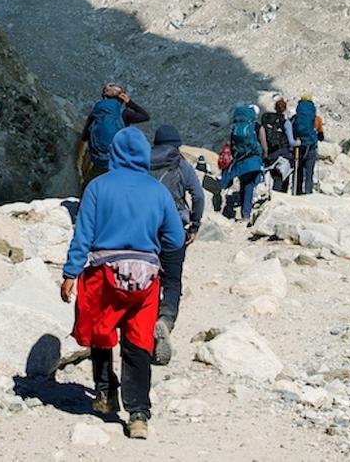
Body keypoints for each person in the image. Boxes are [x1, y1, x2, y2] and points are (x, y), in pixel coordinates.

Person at [61, 126, 184, 440]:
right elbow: (175, 238)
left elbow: (83, 234)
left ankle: (105, 394)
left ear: (114, 153)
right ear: (144, 155)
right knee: (138, 343)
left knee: (100, 334)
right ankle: (139, 414)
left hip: (104, 274)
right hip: (145, 278)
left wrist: (70, 273)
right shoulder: (157, 190)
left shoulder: (98, 187)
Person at [149, 125, 204, 366]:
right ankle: (165, 320)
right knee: (172, 281)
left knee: (148, 279)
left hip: (146, 231)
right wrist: (195, 225)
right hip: (174, 230)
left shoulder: (143, 162)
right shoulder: (181, 164)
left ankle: (144, 322)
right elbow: (199, 195)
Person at [80, 83, 150, 188]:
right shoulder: (124, 113)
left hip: (99, 162)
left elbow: (84, 137)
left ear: (104, 96)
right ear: (122, 97)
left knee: (87, 188)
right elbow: (145, 116)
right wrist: (130, 103)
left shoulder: (96, 112)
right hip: (118, 161)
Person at [220, 104, 264, 222]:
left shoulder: (235, 127)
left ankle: (244, 212)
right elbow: (264, 145)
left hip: (240, 160)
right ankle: (246, 214)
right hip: (253, 159)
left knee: (243, 184)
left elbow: (230, 144)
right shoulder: (256, 126)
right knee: (249, 184)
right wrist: (263, 156)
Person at [258, 98, 296, 194]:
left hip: (269, 152)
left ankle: (272, 195)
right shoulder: (286, 123)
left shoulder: (267, 119)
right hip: (282, 153)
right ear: (285, 109)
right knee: (281, 176)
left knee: (274, 174)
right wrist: (298, 143)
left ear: (275, 108)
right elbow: (291, 141)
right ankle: (279, 196)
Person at [292, 94, 322, 196]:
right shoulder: (316, 118)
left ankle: (297, 191)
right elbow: (321, 136)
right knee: (309, 173)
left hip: (298, 147)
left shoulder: (296, 118)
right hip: (311, 147)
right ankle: (308, 192)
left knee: (298, 171)